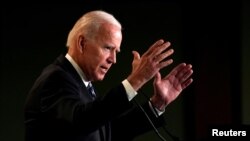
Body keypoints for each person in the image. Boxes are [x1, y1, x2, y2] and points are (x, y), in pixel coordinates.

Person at [24, 10, 193, 141]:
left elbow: (108, 133)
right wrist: (136, 80)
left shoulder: (82, 84)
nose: (113, 59)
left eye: (116, 51)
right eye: (107, 48)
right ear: (82, 43)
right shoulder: (56, 79)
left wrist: (157, 104)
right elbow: (81, 122)